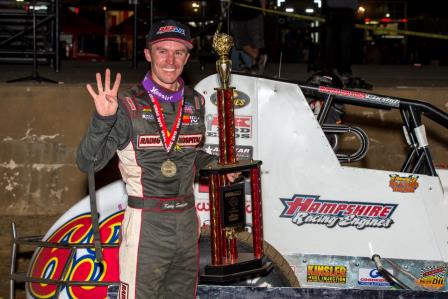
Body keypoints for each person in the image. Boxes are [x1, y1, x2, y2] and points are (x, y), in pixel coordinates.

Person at [76, 19, 239, 299]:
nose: (170, 60)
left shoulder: (195, 102)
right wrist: (103, 119)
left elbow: (187, 154)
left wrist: (213, 165)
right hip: (147, 224)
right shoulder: (127, 105)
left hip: (187, 222)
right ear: (148, 54)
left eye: (179, 52)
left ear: (187, 57)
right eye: (162, 51)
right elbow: (87, 163)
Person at [323, 0, 358, 78]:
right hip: (334, 11)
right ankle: (330, 70)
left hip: (347, 12)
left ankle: (344, 70)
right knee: (331, 43)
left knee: (345, 43)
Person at [230, 0, 267, 74]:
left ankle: (255, 68)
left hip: (255, 15)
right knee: (239, 42)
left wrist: (263, 11)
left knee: (255, 43)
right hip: (237, 17)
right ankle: (258, 58)